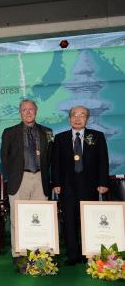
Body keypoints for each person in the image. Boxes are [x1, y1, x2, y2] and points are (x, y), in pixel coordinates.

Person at [52, 106, 109, 265]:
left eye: (82, 115)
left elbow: (103, 161)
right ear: (69, 118)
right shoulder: (60, 138)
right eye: (74, 115)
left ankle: (87, 253)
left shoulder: (97, 136)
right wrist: (56, 183)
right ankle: (73, 255)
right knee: (69, 220)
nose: (77, 118)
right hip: (67, 186)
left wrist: (103, 182)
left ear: (87, 119)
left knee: (88, 220)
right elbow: (55, 163)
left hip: (90, 185)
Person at [0, 99, 53, 259]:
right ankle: (19, 254)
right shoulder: (9, 132)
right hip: (19, 179)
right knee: (17, 218)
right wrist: (14, 176)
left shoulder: (48, 132)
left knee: (40, 218)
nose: (28, 112)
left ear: (36, 111)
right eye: (24, 110)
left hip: (40, 179)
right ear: (20, 112)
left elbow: (49, 157)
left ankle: (40, 253)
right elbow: (5, 158)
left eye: (31, 109)